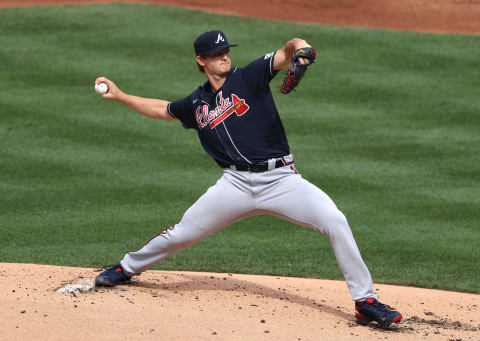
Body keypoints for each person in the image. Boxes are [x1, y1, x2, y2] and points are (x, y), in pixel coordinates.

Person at [94, 30, 402, 327]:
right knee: (182, 233)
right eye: (217, 53)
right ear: (202, 60)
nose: (224, 56)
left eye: (226, 50)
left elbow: (288, 48)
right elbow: (163, 109)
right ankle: (126, 267)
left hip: (281, 179)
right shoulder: (197, 103)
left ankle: (365, 302)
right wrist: (120, 96)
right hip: (235, 185)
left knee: (335, 221)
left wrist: (303, 49)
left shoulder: (249, 76)